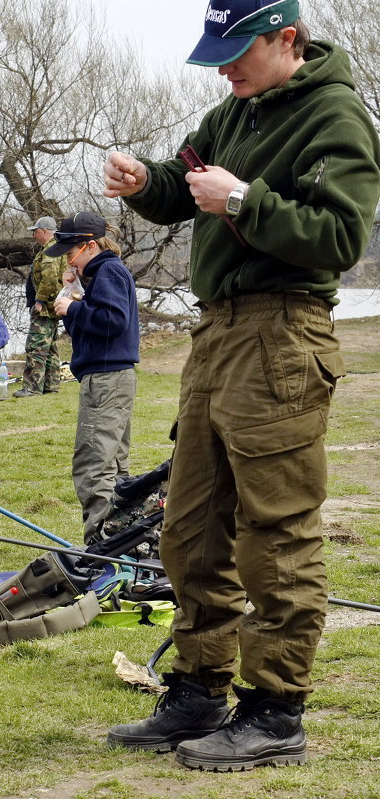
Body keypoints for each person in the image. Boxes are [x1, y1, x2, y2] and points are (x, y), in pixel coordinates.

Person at [102, 0, 380, 772]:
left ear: (286, 39)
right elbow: (180, 184)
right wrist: (142, 183)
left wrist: (245, 201)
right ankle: (198, 688)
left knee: (277, 531)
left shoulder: (337, 115)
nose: (222, 67)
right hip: (216, 333)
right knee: (189, 526)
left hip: (284, 331)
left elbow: (341, 236)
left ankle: (275, 710)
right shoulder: (232, 111)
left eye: (236, 52)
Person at [49, 212, 139, 545]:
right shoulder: (97, 277)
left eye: (70, 253)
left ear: (89, 246)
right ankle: (122, 538)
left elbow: (113, 321)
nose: (67, 260)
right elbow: (88, 329)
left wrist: (73, 309)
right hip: (104, 377)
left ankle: (99, 547)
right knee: (114, 465)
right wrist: (72, 294)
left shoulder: (109, 271)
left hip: (106, 380)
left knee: (93, 464)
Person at [14, 217, 67, 397]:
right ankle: (51, 386)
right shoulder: (54, 248)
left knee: (35, 346)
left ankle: (32, 388)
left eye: (35, 231)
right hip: (53, 306)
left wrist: (40, 300)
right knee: (50, 347)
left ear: (45, 231)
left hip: (45, 308)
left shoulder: (51, 250)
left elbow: (50, 277)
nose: (34, 235)